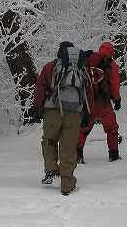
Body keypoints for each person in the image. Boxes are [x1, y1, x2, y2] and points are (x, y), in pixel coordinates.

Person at [33, 41, 90, 195]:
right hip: (74, 113)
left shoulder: (50, 67)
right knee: (68, 147)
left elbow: (40, 87)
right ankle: (67, 183)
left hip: (53, 110)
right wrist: (85, 113)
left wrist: (38, 107)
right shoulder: (80, 69)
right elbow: (87, 92)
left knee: (49, 140)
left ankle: (51, 169)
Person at [77, 41, 122, 163]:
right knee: (112, 128)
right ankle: (113, 154)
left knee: (83, 128)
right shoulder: (111, 64)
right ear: (111, 52)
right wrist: (117, 99)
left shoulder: (88, 59)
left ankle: (77, 155)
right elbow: (114, 83)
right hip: (103, 102)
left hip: (88, 101)